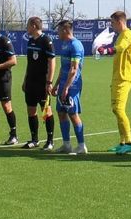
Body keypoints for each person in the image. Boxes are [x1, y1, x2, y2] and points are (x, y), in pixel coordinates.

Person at [51, 20, 87, 155]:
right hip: (64, 85)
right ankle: (66, 145)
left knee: (73, 114)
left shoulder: (75, 45)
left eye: (59, 30)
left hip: (72, 85)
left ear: (65, 30)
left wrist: (66, 87)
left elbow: (73, 69)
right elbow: (63, 67)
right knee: (61, 113)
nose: (57, 33)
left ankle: (81, 145)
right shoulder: (65, 44)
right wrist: (56, 85)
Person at [20, 17, 56, 149]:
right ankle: (34, 139)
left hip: (42, 82)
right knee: (31, 110)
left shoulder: (46, 40)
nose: (27, 28)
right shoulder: (30, 41)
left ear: (34, 26)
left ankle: (50, 141)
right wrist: (25, 79)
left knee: (46, 110)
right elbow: (30, 63)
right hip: (30, 82)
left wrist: (49, 81)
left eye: (28, 25)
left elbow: (52, 61)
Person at [108, 11, 131, 154]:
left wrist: (108, 49)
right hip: (117, 77)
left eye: (113, 23)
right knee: (115, 109)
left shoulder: (127, 34)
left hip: (124, 77)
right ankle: (122, 142)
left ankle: (129, 142)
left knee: (119, 109)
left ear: (119, 22)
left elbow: (120, 48)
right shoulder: (120, 35)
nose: (111, 25)